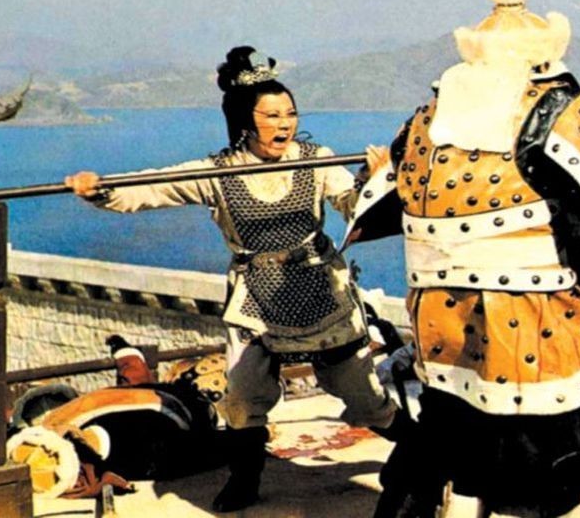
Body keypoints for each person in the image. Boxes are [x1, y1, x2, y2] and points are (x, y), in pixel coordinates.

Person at [347, 0, 580, 517]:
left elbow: (380, 205)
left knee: (436, 439)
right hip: (542, 317)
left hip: (447, 323)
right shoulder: (557, 107)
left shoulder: (426, 119)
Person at [65, 47, 402, 512]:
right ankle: (245, 479)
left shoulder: (317, 159)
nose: (284, 124)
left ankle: (424, 453)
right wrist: (102, 189)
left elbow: (353, 205)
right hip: (255, 297)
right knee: (243, 397)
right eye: (272, 115)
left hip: (320, 288)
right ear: (246, 119)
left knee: (363, 399)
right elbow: (153, 186)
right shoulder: (218, 173)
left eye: (290, 114)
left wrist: (375, 177)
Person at [6, 335, 227, 499]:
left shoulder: (158, 393)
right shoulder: (156, 391)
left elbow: (134, 375)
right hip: (149, 426)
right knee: (118, 442)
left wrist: (125, 352)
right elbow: (135, 375)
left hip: (151, 429)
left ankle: (71, 454)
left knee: (118, 443)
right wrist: (125, 352)